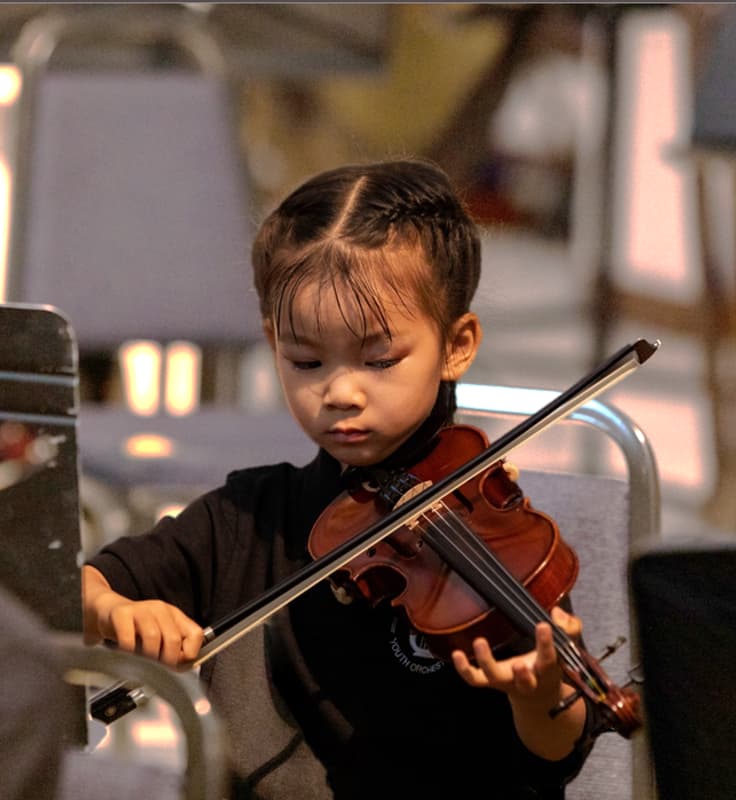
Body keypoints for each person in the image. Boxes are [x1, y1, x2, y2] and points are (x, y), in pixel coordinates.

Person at [82, 158, 600, 799]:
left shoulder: (497, 546)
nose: (340, 391)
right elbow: (80, 588)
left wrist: (539, 697)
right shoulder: (249, 517)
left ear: (458, 345)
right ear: (273, 343)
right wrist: (117, 611)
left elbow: (557, 751)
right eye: (305, 360)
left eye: (379, 359)